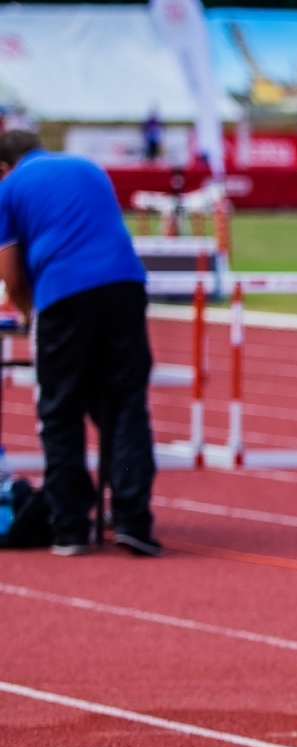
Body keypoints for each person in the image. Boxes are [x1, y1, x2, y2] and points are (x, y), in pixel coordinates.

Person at [0, 130, 159, 556]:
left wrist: (31, 315)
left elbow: (11, 276)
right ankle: (132, 520)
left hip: (64, 294)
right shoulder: (88, 168)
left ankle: (70, 526)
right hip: (125, 287)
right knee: (126, 405)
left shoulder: (9, 187)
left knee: (60, 409)